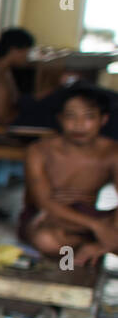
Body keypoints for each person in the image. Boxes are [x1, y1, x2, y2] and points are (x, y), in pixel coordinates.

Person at [20, 85, 118, 267]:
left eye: (89, 116)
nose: (79, 124)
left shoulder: (112, 152)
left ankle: (95, 247)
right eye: (71, 116)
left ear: (103, 119)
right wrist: (98, 228)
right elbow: (44, 202)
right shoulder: (39, 150)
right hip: (50, 216)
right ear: (60, 118)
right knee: (46, 240)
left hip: (90, 216)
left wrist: (107, 229)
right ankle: (95, 245)